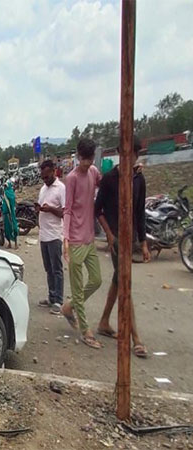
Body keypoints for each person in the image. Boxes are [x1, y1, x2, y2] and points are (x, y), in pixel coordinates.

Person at [95, 137, 151, 358]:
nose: (129, 157)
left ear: (137, 154)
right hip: (117, 241)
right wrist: (109, 234)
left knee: (119, 282)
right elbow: (97, 209)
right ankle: (135, 337)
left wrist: (144, 244)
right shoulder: (109, 179)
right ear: (119, 152)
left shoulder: (139, 179)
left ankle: (104, 321)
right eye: (124, 153)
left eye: (132, 154)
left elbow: (140, 213)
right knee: (125, 285)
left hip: (131, 241)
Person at [61, 138, 103, 349]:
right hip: (76, 240)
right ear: (78, 156)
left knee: (96, 280)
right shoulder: (72, 179)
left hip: (89, 238)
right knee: (78, 289)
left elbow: (104, 186)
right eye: (84, 158)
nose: (87, 162)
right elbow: (67, 209)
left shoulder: (94, 172)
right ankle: (86, 331)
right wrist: (65, 239)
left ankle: (69, 307)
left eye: (90, 158)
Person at [36, 160, 66, 315]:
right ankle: (51, 296)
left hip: (55, 235)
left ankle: (59, 301)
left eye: (47, 176)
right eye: (42, 177)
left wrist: (50, 209)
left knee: (57, 269)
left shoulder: (61, 189)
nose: (45, 179)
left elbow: (64, 212)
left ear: (54, 172)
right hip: (44, 236)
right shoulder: (43, 189)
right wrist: (39, 209)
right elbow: (42, 206)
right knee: (48, 269)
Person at [1, 179, 19, 249]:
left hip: (11, 213)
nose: (5, 187)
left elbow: (12, 203)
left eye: (6, 185)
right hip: (6, 214)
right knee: (7, 229)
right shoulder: (5, 193)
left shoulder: (10, 193)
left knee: (14, 228)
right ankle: (9, 243)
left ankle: (16, 243)